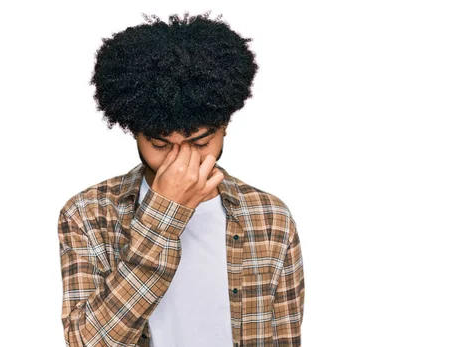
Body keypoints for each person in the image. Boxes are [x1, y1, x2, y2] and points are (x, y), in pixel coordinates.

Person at [57, 11, 305, 347]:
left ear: (225, 125)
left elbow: (285, 338)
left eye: (200, 142)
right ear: (134, 131)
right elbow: (87, 343)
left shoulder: (271, 218)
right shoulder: (87, 215)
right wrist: (164, 214)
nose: (181, 161)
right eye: (160, 144)